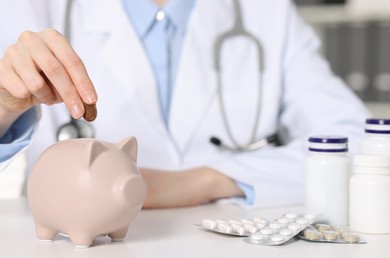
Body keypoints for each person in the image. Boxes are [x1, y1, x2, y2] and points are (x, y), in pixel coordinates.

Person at [0, 0, 370, 208]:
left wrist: (207, 181)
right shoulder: (34, 9)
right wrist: (4, 106)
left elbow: (365, 144)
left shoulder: (267, 13)